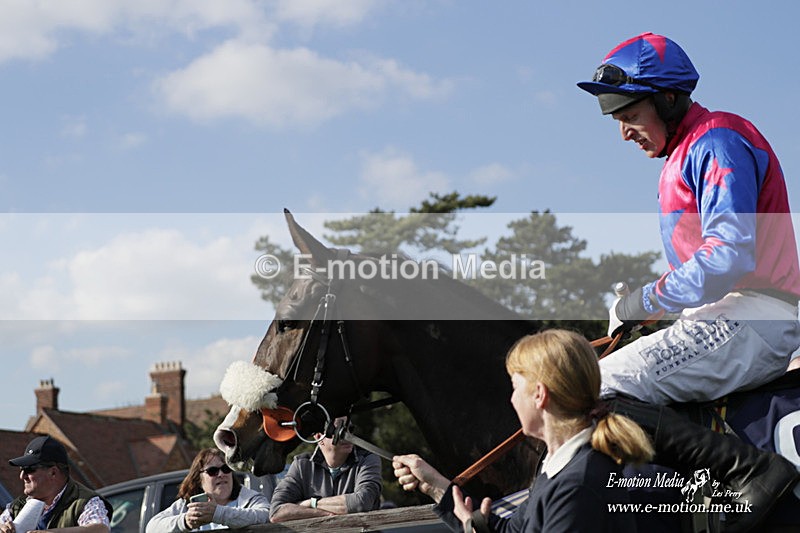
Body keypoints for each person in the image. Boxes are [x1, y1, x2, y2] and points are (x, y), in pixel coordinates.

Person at [577, 32, 800, 530]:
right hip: (730, 313)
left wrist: (647, 299)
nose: (623, 132)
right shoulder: (691, 147)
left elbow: (728, 255)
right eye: (617, 120)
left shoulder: (717, 141)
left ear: (669, 99)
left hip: (755, 313)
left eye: (630, 116)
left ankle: (754, 472)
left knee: (599, 386)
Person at [393, 329, 652, 532]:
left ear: (539, 395)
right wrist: (436, 487)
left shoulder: (577, 487)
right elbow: (511, 530)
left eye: (515, 387)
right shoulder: (557, 469)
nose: (512, 399)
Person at [268, 417, 382, 523]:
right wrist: (324, 515)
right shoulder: (301, 465)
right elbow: (276, 512)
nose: (348, 435)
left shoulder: (368, 459)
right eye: (339, 430)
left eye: (350, 429)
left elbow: (361, 503)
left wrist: (311, 503)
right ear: (318, 436)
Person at [0, 435, 112, 533]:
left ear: (53, 472)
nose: (22, 476)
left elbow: (100, 529)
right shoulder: (17, 506)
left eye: (29, 469)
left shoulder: (85, 502)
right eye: (21, 469)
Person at [145, 448, 269, 532]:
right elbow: (151, 528)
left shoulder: (251, 498)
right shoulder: (187, 505)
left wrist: (217, 513)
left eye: (226, 469)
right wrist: (184, 522)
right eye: (212, 471)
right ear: (199, 479)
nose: (221, 474)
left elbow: (266, 515)